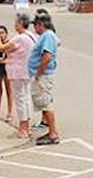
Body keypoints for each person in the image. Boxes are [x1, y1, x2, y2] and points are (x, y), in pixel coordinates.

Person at [0, 14, 37, 138]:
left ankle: (23, 127)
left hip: (18, 72)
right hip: (28, 71)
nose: (14, 25)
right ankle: (28, 126)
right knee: (26, 98)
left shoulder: (19, 38)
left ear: (20, 24)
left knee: (20, 99)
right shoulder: (32, 36)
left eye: (16, 23)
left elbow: (2, 48)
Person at [30, 12, 61, 145]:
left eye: (35, 25)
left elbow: (47, 57)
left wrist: (38, 73)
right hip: (43, 74)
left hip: (43, 75)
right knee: (44, 102)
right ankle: (51, 131)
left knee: (45, 102)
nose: (34, 28)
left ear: (41, 25)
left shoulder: (47, 36)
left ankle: (53, 133)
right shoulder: (46, 36)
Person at [0, 25, 12, 122]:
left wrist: (1, 60)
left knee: (9, 91)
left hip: (7, 70)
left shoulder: (8, 44)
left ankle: (9, 113)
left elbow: (10, 59)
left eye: (2, 32)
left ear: (6, 34)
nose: (1, 34)